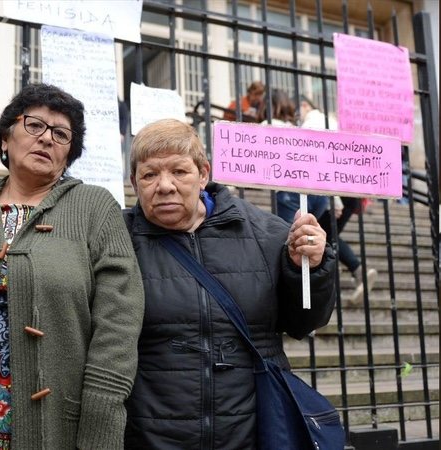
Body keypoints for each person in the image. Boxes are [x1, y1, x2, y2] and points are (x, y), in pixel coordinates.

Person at [0, 83, 144, 449]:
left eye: (61, 134)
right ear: (5, 137)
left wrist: (102, 419)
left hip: (59, 426)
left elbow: (118, 321)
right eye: (34, 125)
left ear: (69, 154)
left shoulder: (95, 208)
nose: (47, 139)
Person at [123, 119, 336, 448]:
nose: (164, 186)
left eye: (179, 171)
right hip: (152, 437)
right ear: (135, 183)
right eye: (149, 174)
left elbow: (304, 322)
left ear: (204, 174)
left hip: (251, 433)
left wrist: (310, 268)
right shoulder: (117, 239)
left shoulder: (265, 232)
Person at [299, 95, 378, 302]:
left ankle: (346, 275)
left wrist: (335, 200)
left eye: (300, 110)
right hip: (352, 191)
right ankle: (358, 272)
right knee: (328, 234)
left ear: (306, 105)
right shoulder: (331, 122)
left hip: (339, 191)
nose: (299, 115)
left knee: (323, 234)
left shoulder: (313, 121)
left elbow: (324, 161)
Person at [263, 89, 329, 221]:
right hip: (317, 192)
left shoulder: (265, 127)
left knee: (289, 236)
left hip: (288, 191)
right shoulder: (298, 130)